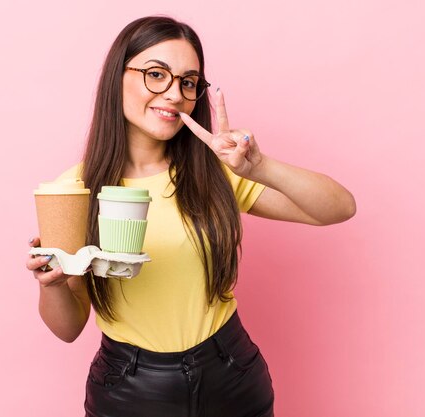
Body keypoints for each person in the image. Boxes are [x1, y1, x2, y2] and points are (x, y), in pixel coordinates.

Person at [26, 15, 356, 417]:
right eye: (155, 74)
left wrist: (259, 167)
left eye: (187, 82)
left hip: (231, 375)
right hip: (129, 390)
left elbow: (339, 208)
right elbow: (68, 328)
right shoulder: (75, 191)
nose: (173, 94)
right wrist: (53, 283)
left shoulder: (213, 173)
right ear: (118, 76)